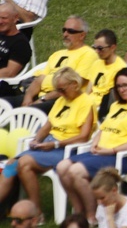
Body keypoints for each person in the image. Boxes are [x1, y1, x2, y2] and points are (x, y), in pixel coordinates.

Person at [56, 67, 127, 221]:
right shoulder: (115, 106)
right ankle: (79, 212)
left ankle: (91, 216)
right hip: (100, 153)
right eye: (119, 86)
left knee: (75, 171)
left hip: (121, 157)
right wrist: (94, 143)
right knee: (61, 167)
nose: (122, 89)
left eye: (126, 85)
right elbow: (103, 129)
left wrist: (112, 150)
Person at [0, 67, 95, 208]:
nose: (60, 93)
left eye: (62, 89)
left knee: (24, 163)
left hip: (66, 149)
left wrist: (55, 145)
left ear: (75, 84)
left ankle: (35, 212)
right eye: (58, 90)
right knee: (11, 165)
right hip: (48, 143)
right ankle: (30, 211)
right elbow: (47, 126)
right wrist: (37, 139)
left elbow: (83, 137)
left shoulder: (86, 102)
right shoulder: (61, 101)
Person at [4, 15, 98, 112]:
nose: (65, 34)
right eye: (64, 30)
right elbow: (39, 80)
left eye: (71, 31)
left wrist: (43, 99)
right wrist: (27, 98)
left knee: (30, 111)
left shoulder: (88, 54)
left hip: (62, 99)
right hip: (39, 95)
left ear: (82, 35)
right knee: (3, 101)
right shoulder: (57, 54)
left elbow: (72, 86)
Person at [86, 29, 127, 115]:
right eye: (95, 47)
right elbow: (88, 89)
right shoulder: (97, 63)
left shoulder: (120, 68)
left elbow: (113, 98)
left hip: (102, 109)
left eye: (100, 48)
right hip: (88, 105)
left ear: (112, 47)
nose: (96, 51)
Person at [0, 4, 31, 91]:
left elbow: (10, 72)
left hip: (4, 85)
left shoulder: (20, 44)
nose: (0, 21)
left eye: (4, 18)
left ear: (15, 18)